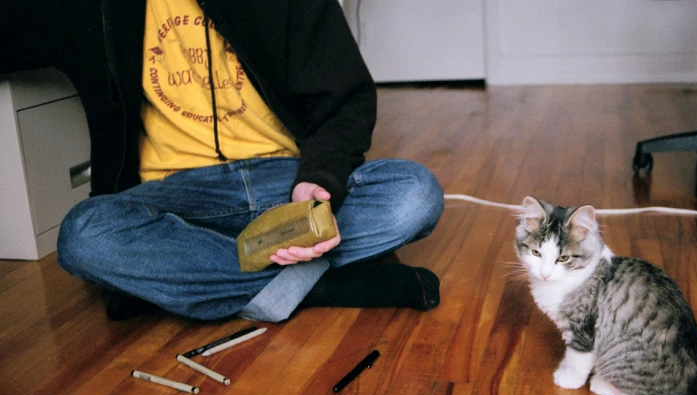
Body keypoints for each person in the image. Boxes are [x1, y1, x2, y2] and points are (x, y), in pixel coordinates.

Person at [0, 0, 443, 322]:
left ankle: (188, 277)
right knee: (84, 234)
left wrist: (319, 179)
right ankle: (325, 286)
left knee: (415, 194)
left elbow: (345, 101)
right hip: (176, 198)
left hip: (285, 185)